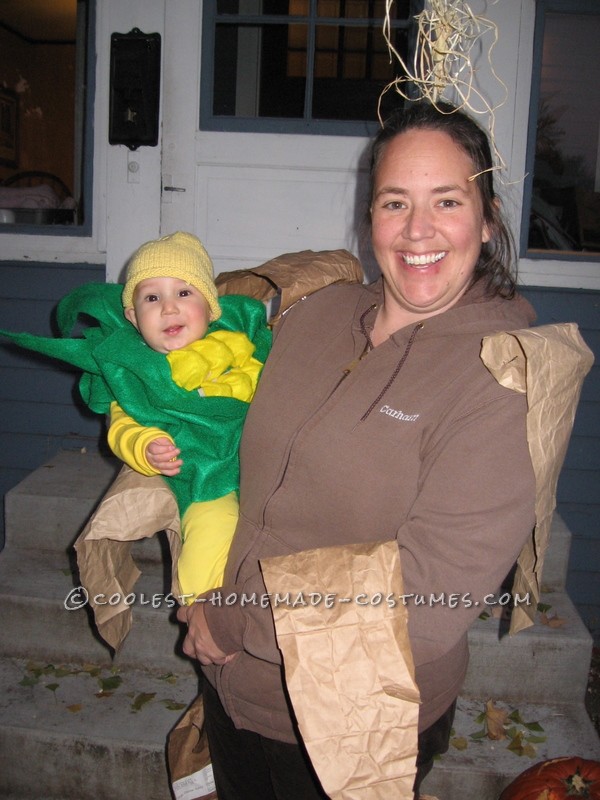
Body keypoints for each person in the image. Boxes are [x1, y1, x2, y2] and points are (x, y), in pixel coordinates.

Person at [176, 100, 537, 799]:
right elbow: (224, 438)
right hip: (229, 684)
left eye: (447, 201)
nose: (418, 230)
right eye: (395, 202)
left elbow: (428, 596)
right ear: (369, 215)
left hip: (354, 722)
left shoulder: (503, 375)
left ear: (487, 219)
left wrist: (227, 615)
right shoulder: (319, 316)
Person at [0, 231, 272, 602]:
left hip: (264, 463)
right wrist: (145, 445)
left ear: (211, 308)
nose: (169, 308)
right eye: (152, 297)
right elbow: (122, 426)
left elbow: (273, 391)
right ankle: (206, 612)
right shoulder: (133, 372)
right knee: (211, 538)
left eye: (184, 293)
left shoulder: (240, 347)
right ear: (133, 316)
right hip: (208, 476)